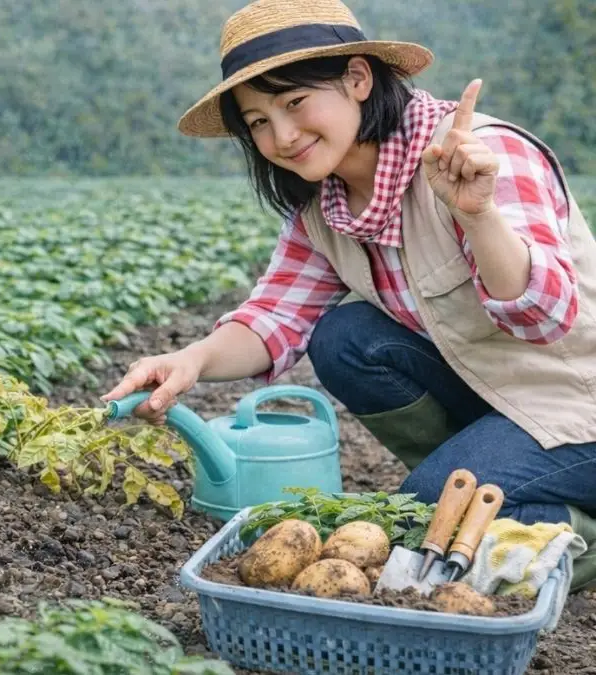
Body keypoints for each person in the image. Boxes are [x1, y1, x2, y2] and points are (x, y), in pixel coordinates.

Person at [100, 0, 596, 591]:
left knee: (418, 517)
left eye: (294, 102)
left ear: (358, 79)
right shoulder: (324, 206)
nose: (281, 135)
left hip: (576, 408)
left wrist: (480, 216)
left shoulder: (481, 155)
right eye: (257, 121)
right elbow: (275, 317)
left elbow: (546, 316)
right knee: (345, 336)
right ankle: (471, 482)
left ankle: (557, 524)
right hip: (504, 403)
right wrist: (190, 361)